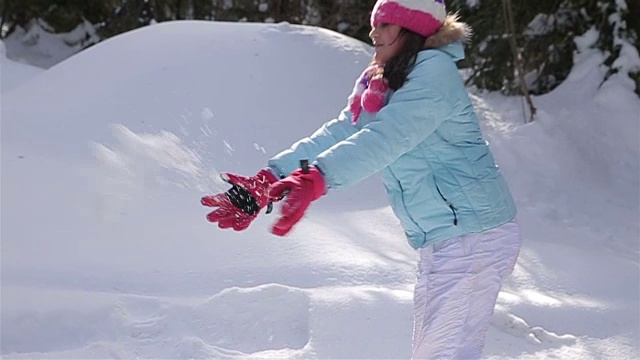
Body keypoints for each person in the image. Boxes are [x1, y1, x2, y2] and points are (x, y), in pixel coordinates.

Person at [201, 0, 522, 358]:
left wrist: (318, 177)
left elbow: (388, 136)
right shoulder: (382, 81)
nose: (373, 32)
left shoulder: (434, 74)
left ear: (413, 30)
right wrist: (268, 180)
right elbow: (339, 132)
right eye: (374, 23)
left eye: (385, 24)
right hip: (444, 238)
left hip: (475, 234)